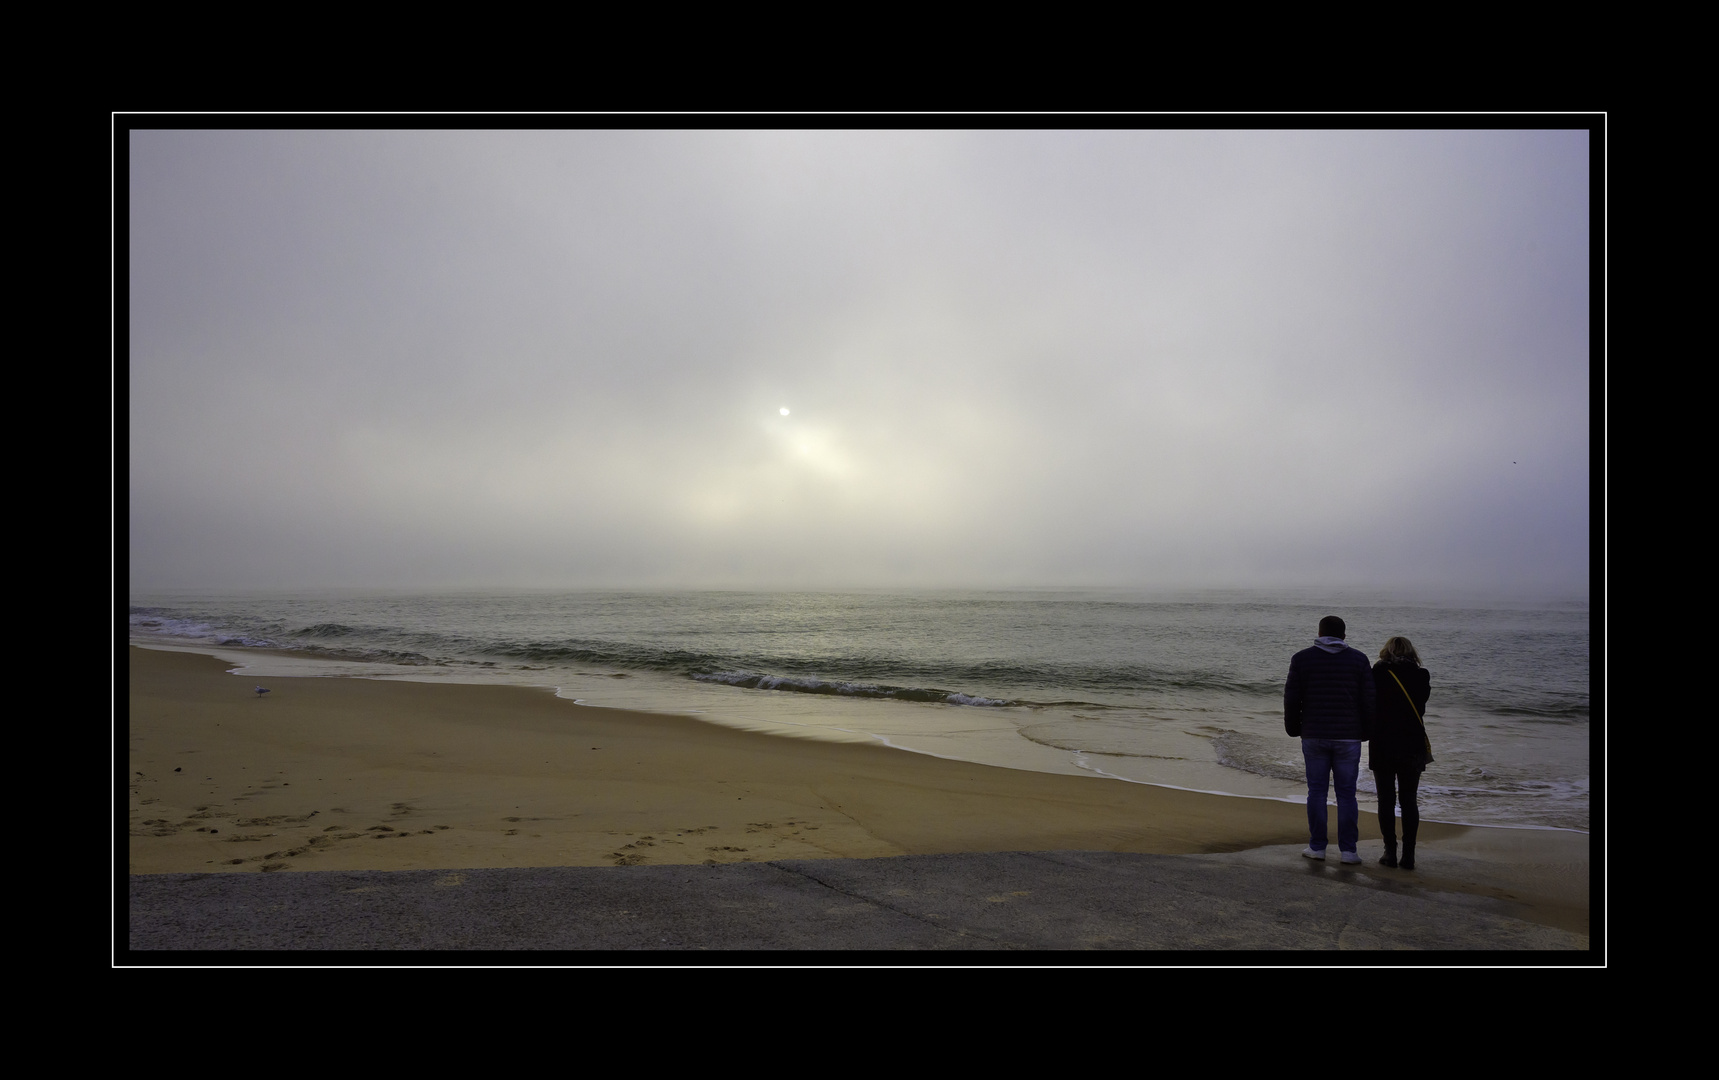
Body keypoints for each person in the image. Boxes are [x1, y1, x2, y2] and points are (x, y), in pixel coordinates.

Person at [1284, 615, 1375, 864]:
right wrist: (1366, 732)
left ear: (1319, 633)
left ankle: (1318, 847)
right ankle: (1348, 851)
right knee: (1347, 794)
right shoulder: (1359, 659)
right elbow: (1368, 700)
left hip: (1314, 734)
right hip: (1348, 737)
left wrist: (1293, 728)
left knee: (1316, 791)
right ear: (1344, 636)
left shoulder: (1302, 659)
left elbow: (1292, 698)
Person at [1371, 636, 1431, 870]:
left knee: (1386, 799)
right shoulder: (1421, 675)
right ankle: (1409, 855)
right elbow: (1421, 704)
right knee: (1409, 800)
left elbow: (1370, 703)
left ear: (1386, 651)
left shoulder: (1376, 673)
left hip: (1383, 742)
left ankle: (1389, 852)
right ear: (1411, 652)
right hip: (1412, 743)